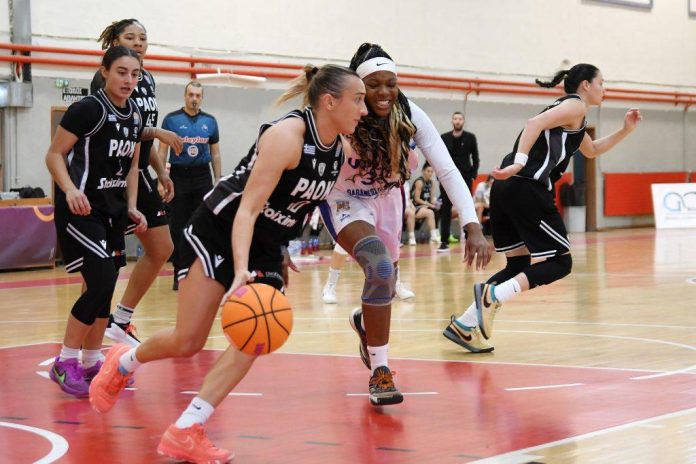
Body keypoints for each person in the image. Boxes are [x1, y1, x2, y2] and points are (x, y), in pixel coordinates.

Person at [89, 64, 367, 463]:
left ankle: (188, 427)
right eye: (358, 99)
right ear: (329, 101)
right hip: (220, 228)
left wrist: (281, 249)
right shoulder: (286, 137)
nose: (363, 109)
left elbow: (296, 205)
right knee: (189, 341)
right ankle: (124, 361)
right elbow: (248, 210)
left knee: (258, 332)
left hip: (264, 246)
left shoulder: (338, 149)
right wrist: (240, 269)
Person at [320, 43, 491, 406]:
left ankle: (365, 323)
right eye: (374, 85)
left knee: (386, 283)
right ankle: (380, 371)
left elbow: (447, 170)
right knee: (380, 268)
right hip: (345, 198)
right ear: (359, 87)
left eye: (391, 83)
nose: (384, 92)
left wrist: (472, 224)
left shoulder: (409, 113)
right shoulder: (342, 112)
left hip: (387, 197)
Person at [444, 64, 642, 353]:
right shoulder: (575, 106)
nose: (605, 88)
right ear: (585, 85)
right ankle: (493, 296)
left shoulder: (573, 115)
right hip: (526, 186)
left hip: (506, 189)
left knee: (518, 265)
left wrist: (625, 130)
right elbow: (533, 123)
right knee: (561, 262)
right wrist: (520, 162)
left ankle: (465, 323)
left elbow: (592, 150)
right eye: (601, 82)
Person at [46, 46, 147, 397]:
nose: (128, 80)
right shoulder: (88, 109)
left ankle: (91, 362)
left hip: (113, 211)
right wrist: (70, 189)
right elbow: (54, 154)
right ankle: (64, 361)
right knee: (100, 280)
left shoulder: (135, 115)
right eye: (121, 72)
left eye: (134, 74)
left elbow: (131, 168)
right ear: (105, 71)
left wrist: (132, 206)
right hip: (82, 209)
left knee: (106, 285)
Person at [90, 19, 183, 347]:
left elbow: (142, 133)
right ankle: (90, 329)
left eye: (143, 37)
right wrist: (158, 133)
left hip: (139, 172)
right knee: (105, 262)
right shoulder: (106, 78)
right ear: (115, 42)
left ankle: (121, 319)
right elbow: (119, 127)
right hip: (110, 176)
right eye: (130, 37)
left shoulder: (147, 79)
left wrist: (161, 172)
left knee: (162, 247)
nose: (139, 42)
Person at [159, 81, 222, 290]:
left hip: (202, 177)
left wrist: (218, 180)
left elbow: (215, 154)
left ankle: (200, 274)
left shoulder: (210, 121)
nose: (194, 98)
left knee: (202, 225)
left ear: (202, 98)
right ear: (185, 96)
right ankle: (180, 273)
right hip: (179, 177)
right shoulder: (171, 120)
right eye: (191, 95)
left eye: (198, 95)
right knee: (178, 227)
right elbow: (161, 152)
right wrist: (161, 179)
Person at [321, 186, 415, 305]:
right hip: (347, 193)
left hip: (379, 193)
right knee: (345, 240)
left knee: (391, 240)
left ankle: (396, 282)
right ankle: (330, 285)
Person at [438, 111, 479, 252]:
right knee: (446, 209)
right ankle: (444, 241)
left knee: (466, 208)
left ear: (463, 121)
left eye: (460, 119)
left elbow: (475, 157)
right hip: (446, 177)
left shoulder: (470, 137)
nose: (457, 121)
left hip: (465, 177)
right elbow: (438, 156)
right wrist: (438, 175)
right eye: (455, 118)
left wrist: (473, 175)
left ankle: (469, 239)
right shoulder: (444, 137)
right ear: (452, 121)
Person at [410, 162, 439, 243]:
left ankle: (435, 235)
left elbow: (431, 199)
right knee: (430, 212)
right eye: (428, 171)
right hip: (415, 206)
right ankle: (433, 236)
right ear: (423, 171)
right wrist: (429, 204)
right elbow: (416, 199)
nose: (430, 173)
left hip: (425, 206)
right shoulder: (419, 182)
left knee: (437, 210)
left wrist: (436, 204)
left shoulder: (431, 183)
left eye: (431, 172)